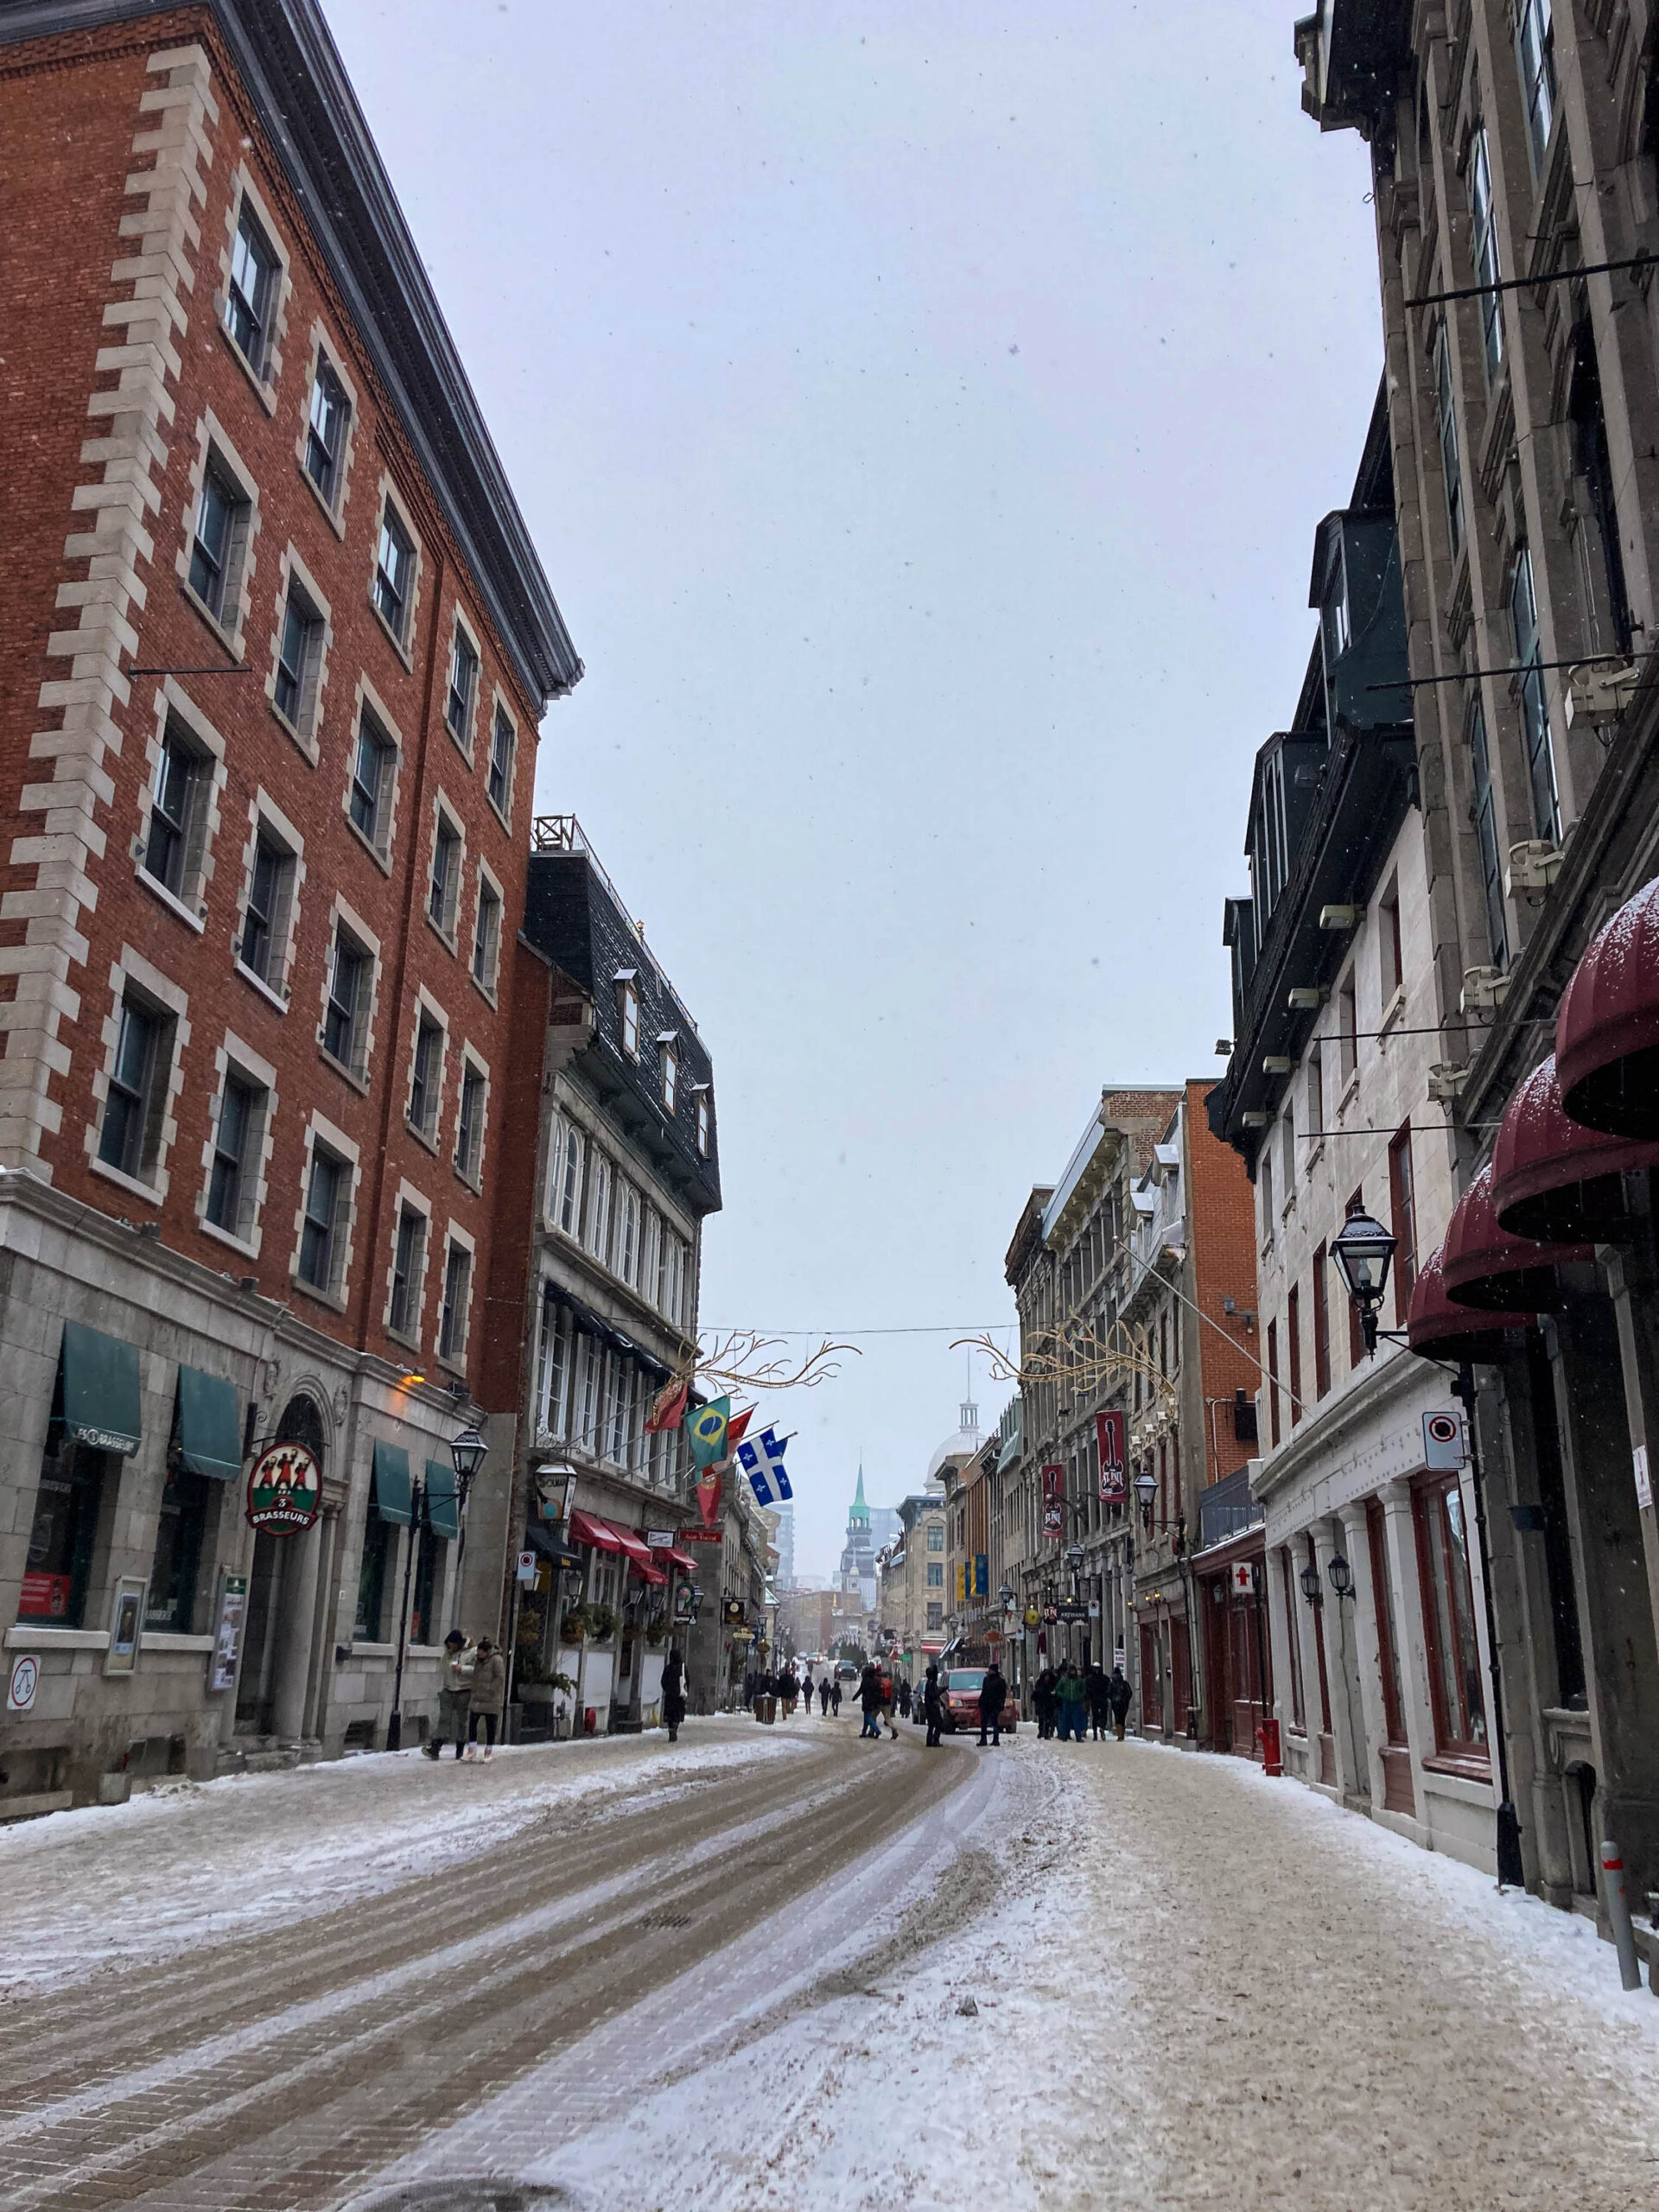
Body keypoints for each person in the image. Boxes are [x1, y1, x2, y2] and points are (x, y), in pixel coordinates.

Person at [423, 1630, 474, 1759]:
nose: (450, 1647)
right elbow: (442, 1670)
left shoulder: (471, 1652)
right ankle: (436, 1746)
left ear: (458, 1643)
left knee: (461, 1720)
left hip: (463, 1690)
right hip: (447, 1689)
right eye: (448, 1644)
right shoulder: (447, 1654)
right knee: (444, 1718)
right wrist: (440, 1687)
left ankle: (460, 1748)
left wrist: (462, 1669)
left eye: (452, 1644)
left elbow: (477, 1670)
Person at [466, 1637, 505, 1760]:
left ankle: (488, 1751)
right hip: (477, 1698)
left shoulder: (497, 1660)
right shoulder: (478, 1660)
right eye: (478, 1651)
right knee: (472, 1724)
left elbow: (500, 1677)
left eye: (480, 1652)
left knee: (490, 1726)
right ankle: (472, 1749)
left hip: (491, 1699)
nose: (478, 1653)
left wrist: (491, 1689)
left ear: (487, 1652)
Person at [976, 1659, 1008, 1747]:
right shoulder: (986, 1680)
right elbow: (984, 1691)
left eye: (990, 1670)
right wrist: (981, 1702)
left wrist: (1000, 1704)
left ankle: (996, 1740)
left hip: (995, 1705)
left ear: (994, 1671)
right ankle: (983, 1740)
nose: (988, 1671)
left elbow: (1002, 1694)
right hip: (985, 1704)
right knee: (984, 1723)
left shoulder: (1000, 1681)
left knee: (995, 1723)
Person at [1055, 1662, 1087, 1743]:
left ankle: (1078, 1737)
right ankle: (1065, 1736)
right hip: (1067, 1703)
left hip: (1076, 1703)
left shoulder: (1079, 1680)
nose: (1073, 1672)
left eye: (1074, 1671)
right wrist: (1063, 1696)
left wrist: (1080, 1696)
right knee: (1066, 1720)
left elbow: (1084, 1690)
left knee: (1077, 1721)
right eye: (1071, 1671)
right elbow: (1058, 1690)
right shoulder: (1064, 1680)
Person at [662, 1645, 687, 1742]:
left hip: (670, 1696)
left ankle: (671, 1730)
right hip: (679, 1695)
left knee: (670, 1714)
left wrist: (668, 1689)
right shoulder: (683, 1668)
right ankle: (675, 1728)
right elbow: (687, 1680)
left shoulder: (668, 1668)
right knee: (677, 1714)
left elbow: (663, 1681)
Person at [1086, 1662, 1111, 1743]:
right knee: (1097, 1716)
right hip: (1097, 1699)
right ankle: (1096, 1732)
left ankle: (1100, 1729)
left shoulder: (1101, 1678)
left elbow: (1109, 1688)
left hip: (1099, 1699)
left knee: (1099, 1716)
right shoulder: (1092, 1678)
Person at [1032, 1665, 1058, 1741]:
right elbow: (1035, 1694)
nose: (1047, 1678)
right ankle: (1041, 1731)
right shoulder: (1039, 1683)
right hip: (1041, 1704)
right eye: (1046, 1676)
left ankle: (1047, 1733)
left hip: (1049, 1705)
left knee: (1048, 1720)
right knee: (1041, 1719)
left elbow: (1055, 1694)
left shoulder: (1052, 1684)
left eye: (1048, 1676)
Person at [858, 1662, 883, 1739]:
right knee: (866, 1718)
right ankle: (864, 1732)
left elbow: (861, 1690)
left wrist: (854, 1697)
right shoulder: (874, 1681)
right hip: (872, 1701)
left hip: (866, 1701)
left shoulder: (865, 1681)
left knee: (868, 1717)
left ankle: (877, 1730)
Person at [1108, 1663, 1133, 1742]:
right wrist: (1125, 1699)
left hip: (1115, 1704)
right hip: (1124, 1704)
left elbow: (1108, 1693)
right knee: (1122, 1718)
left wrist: (1113, 1699)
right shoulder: (1124, 1683)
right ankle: (1122, 1734)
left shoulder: (1112, 1684)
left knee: (1117, 1718)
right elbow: (1130, 1693)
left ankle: (1120, 1735)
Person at [922, 1662, 943, 1748]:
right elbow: (933, 1695)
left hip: (931, 1707)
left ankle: (930, 1741)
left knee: (932, 1725)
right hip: (932, 1708)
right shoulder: (931, 1683)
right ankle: (934, 1741)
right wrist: (941, 1691)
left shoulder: (930, 1683)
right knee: (938, 1724)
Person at [876, 1660, 898, 1740]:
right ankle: (894, 1730)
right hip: (887, 1702)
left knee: (873, 1716)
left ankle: (872, 1731)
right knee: (888, 1718)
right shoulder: (888, 1682)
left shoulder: (879, 1681)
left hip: (879, 1702)